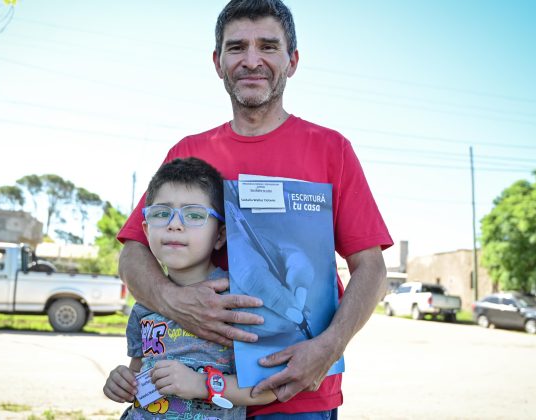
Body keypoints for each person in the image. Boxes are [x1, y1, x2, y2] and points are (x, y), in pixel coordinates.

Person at [113, 0, 393, 417]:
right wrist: (174, 300)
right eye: (236, 47)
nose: (251, 60)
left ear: (292, 61)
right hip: (191, 398)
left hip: (296, 391)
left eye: (267, 46)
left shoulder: (331, 150)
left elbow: (371, 269)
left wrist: (327, 348)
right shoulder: (189, 152)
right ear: (217, 62)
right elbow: (133, 251)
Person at [104, 157, 276, 419]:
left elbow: (267, 389)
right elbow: (138, 374)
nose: (175, 224)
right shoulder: (145, 305)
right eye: (161, 213)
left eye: (194, 214)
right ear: (147, 230)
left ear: (219, 235)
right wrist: (122, 381)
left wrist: (200, 385)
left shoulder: (238, 302)